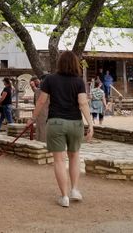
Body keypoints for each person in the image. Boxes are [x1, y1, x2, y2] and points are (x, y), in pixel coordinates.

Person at [30, 51, 94, 208]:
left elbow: (41, 101)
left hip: (56, 122)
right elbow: (83, 103)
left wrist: (32, 118)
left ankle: (64, 196)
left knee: (59, 160)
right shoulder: (79, 81)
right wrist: (90, 124)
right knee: (74, 156)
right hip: (75, 123)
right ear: (75, 64)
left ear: (60, 63)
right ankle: (75, 190)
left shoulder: (50, 79)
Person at [30, 76, 47, 141]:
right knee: (39, 127)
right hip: (41, 110)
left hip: (43, 111)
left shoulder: (44, 87)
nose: (39, 82)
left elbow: (38, 92)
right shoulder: (42, 86)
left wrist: (33, 86)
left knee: (42, 127)